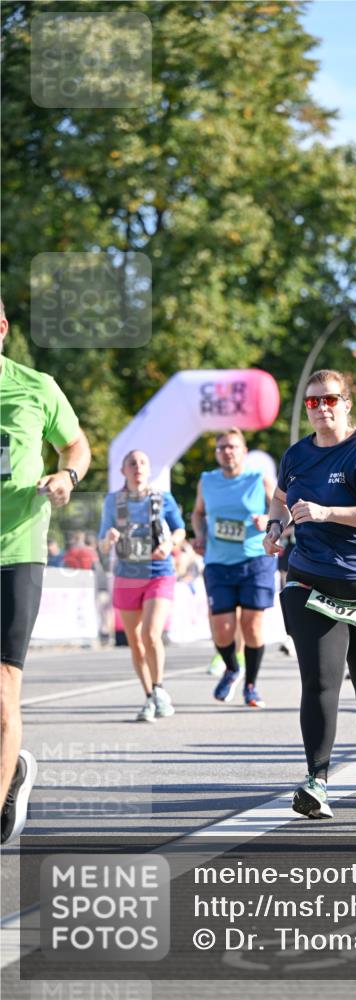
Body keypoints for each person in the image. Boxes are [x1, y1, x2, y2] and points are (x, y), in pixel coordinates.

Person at [264, 369, 356, 819]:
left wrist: (327, 512)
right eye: (313, 402)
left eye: (330, 399)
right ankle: (317, 781)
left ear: (346, 403)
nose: (322, 408)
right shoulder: (297, 454)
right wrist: (275, 527)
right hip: (313, 581)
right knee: (320, 681)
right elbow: (280, 498)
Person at [0, 299, 91, 844]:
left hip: (17, 550)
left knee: (3, 688)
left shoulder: (36, 386)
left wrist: (68, 476)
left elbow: (76, 444)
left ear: (3, 328)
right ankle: (11, 769)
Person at [99, 450, 185, 721]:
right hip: (127, 575)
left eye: (142, 463)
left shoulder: (163, 498)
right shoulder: (113, 501)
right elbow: (101, 542)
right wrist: (109, 538)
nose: (137, 467)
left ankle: (159, 689)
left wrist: (170, 543)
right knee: (135, 642)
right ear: (123, 471)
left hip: (158, 572)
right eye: (132, 463)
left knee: (150, 634)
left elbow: (180, 530)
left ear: (149, 469)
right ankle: (149, 697)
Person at [192, 428, 275, 708]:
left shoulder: (258, 478)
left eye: (233, 447)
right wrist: (200, 534)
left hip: (255, 560)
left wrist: (267, 520)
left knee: (251, 627)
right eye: (222, 447)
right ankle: (232, 668)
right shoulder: (206, 481)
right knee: (222, 630)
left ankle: (251, 685)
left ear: (244, 452)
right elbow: (198, 513)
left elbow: (281, 509)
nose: (227, 451)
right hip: (218, 562)